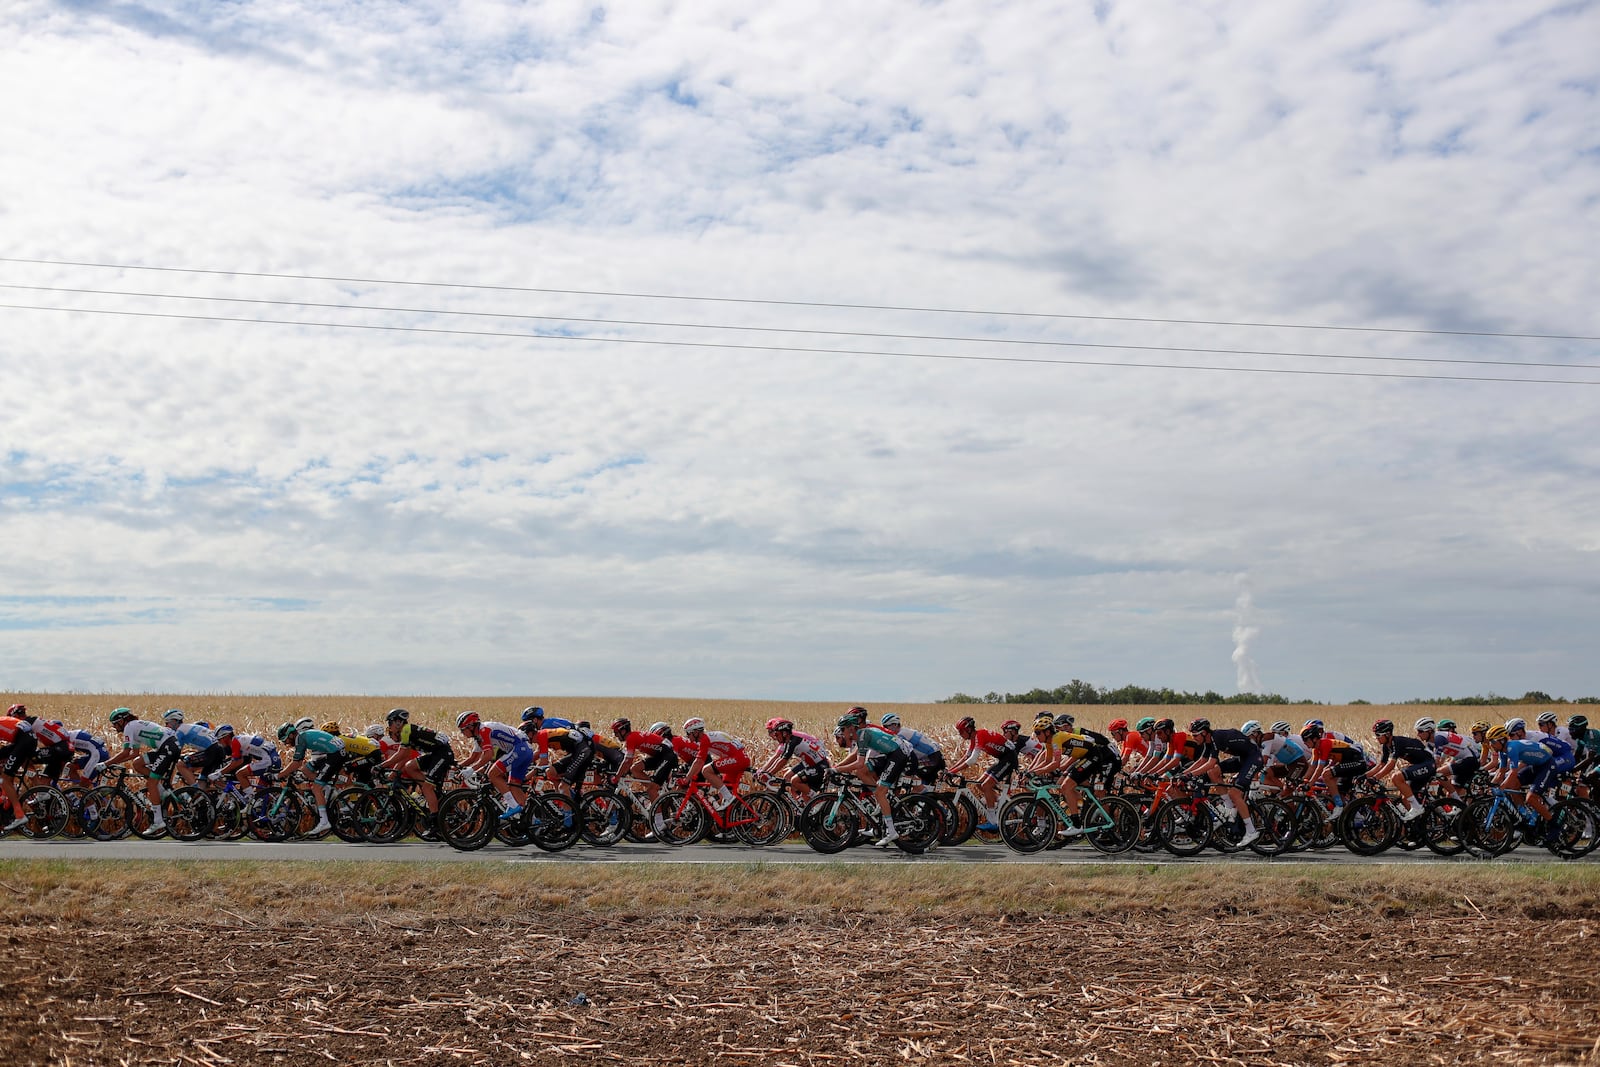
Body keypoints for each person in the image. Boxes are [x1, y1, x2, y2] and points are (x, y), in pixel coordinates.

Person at [832, 715, 910, 846]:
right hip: (889, 754)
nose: (843, 733)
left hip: (898, 755)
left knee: (880, 792)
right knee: (862, 772)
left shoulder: (862, 735)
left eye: (843, 729)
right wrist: (840, 768)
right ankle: (880, 803)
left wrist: (836, 770)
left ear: (851, 728)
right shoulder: (860, 735)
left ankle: (891, 831)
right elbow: (859, 765)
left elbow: (858, 763)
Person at [101, 708, 183, 834]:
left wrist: (105, 764)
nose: (114, 727)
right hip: (168, 746)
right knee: (137, 764)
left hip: (167, 748)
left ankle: (158, 820)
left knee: (151, 783)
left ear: (122, 721)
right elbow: (134, 754)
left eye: (115, 723)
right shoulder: (134, 725)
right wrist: (113, 763)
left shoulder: (129, 727)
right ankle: (161, 790)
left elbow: (125, 752)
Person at [1184, 719, 1262, 846]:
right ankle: (1229, 808)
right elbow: (1201, 761)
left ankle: (1251, 831)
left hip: (1253, 758)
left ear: (1204, 733)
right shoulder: (1208, 741)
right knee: (1212, 773)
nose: (1194, 738)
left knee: (1235, 793)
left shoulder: (1216, 738)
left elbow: (1211, 762)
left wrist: (1189, 775)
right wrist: (1182, 774)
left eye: (1195, 735)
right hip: (1242, 759)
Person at [456, 711, 534, 821]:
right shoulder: (479, 736)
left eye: (463, 729)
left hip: (519, 749)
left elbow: (488, 755)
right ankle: (531, 819)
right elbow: (473, 758)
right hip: (526, 750)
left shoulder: (484, 730)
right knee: (514, 785)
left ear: (471, 726)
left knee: (492, 774)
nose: (462, 733)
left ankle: (512, 805)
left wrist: (472, 769)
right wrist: (456, 767)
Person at [382, 708, 455, 820]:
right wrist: (393, 773)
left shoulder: (406, 730)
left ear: (398, 722)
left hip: (443, 754)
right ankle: (431, 792)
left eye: (390, 723)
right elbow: (405, 757)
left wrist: (381, 766)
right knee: (410, 767)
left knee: (427, 788)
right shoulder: (407, 732)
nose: (389, 727)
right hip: (435, 754)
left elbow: (400, 754)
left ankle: (434, 820)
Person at [950, 716, 1019, 832]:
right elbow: (966, 757)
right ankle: (1007, 804)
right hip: (1002, 759)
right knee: (979, 784)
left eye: (961, 731)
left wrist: (953, 771)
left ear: (968, 730)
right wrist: (950, 770)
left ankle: (993, 821)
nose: (960, 734)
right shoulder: (974, 738)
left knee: (986, 786)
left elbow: (972, 760)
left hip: (1009, 759)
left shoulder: (980, 735)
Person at [276, 719, 342, 833]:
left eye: (285, 740)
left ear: (291, 735)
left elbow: (297, 762)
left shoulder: (300, 739)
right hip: (332, 753)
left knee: (316, 788)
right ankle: (326, 787)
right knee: (306, 769)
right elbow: (301, 764)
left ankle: (324, 821)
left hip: (335, 755)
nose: (286, 743)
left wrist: (279, 775)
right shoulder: (302, 736)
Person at [1366, 719, 1435, 821]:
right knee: (1405, 797)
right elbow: (1381, 765)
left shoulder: (1397, 742)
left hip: (1428, 763)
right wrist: (1365, 776)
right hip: (1420, 765)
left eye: (1378, 735)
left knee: (1396, 777)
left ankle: (1417, 808)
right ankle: (1417, 823)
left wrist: (1375, 778)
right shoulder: (1386, 746)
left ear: (1388, 734)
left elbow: (1391, 765)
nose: (1376, 738)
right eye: (1375, 735)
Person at [680, 717, 751, 807]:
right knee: (725, 787)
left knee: (706, 770)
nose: (687, 737)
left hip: (738, 759)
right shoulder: (709, 737)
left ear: (695, 732)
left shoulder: (705, 740)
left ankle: (729, 798)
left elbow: (699, 762)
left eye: (688, 733)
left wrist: (687, 778)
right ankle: (729, 812)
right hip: (740, 759)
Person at [759, 718, 831, 800]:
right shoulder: (789, 741)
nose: (775, 737)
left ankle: (818, 798)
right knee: (804, 797)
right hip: (812, 765)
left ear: (785, 733)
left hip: (819, 767)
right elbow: (780, 758)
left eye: (777, 735)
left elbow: (783, 761)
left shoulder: (793, 742)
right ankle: (808, 806)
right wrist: (767, 773)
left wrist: (769, 774)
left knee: (794, 780)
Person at [878, 714, 945, 790]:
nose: (884, 729)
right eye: (883, 727)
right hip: (932, 757)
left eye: (886, 726)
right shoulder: (903, 731)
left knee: (908, 777)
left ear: (895, 725)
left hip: (932, 759)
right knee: (923, 786)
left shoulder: (901, 735)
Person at [0, 708, 37, 830]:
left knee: (5, 779)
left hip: (23, 741)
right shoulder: (3, 720)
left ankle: (19, 814)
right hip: (28, 740)